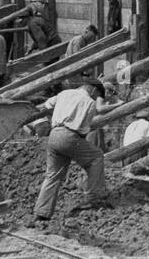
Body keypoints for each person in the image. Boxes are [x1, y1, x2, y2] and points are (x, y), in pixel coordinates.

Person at [33, 78, 118, 223]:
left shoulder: (64, 94)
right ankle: (93, 197)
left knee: (53, 175)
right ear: (92, 89)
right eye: (97, 93)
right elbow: (84, 128)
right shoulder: (89, 102)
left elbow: (46, 106)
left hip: (54, 134)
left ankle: (41, 213)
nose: (95, 97)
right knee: (96, 156)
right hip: (70, 136)